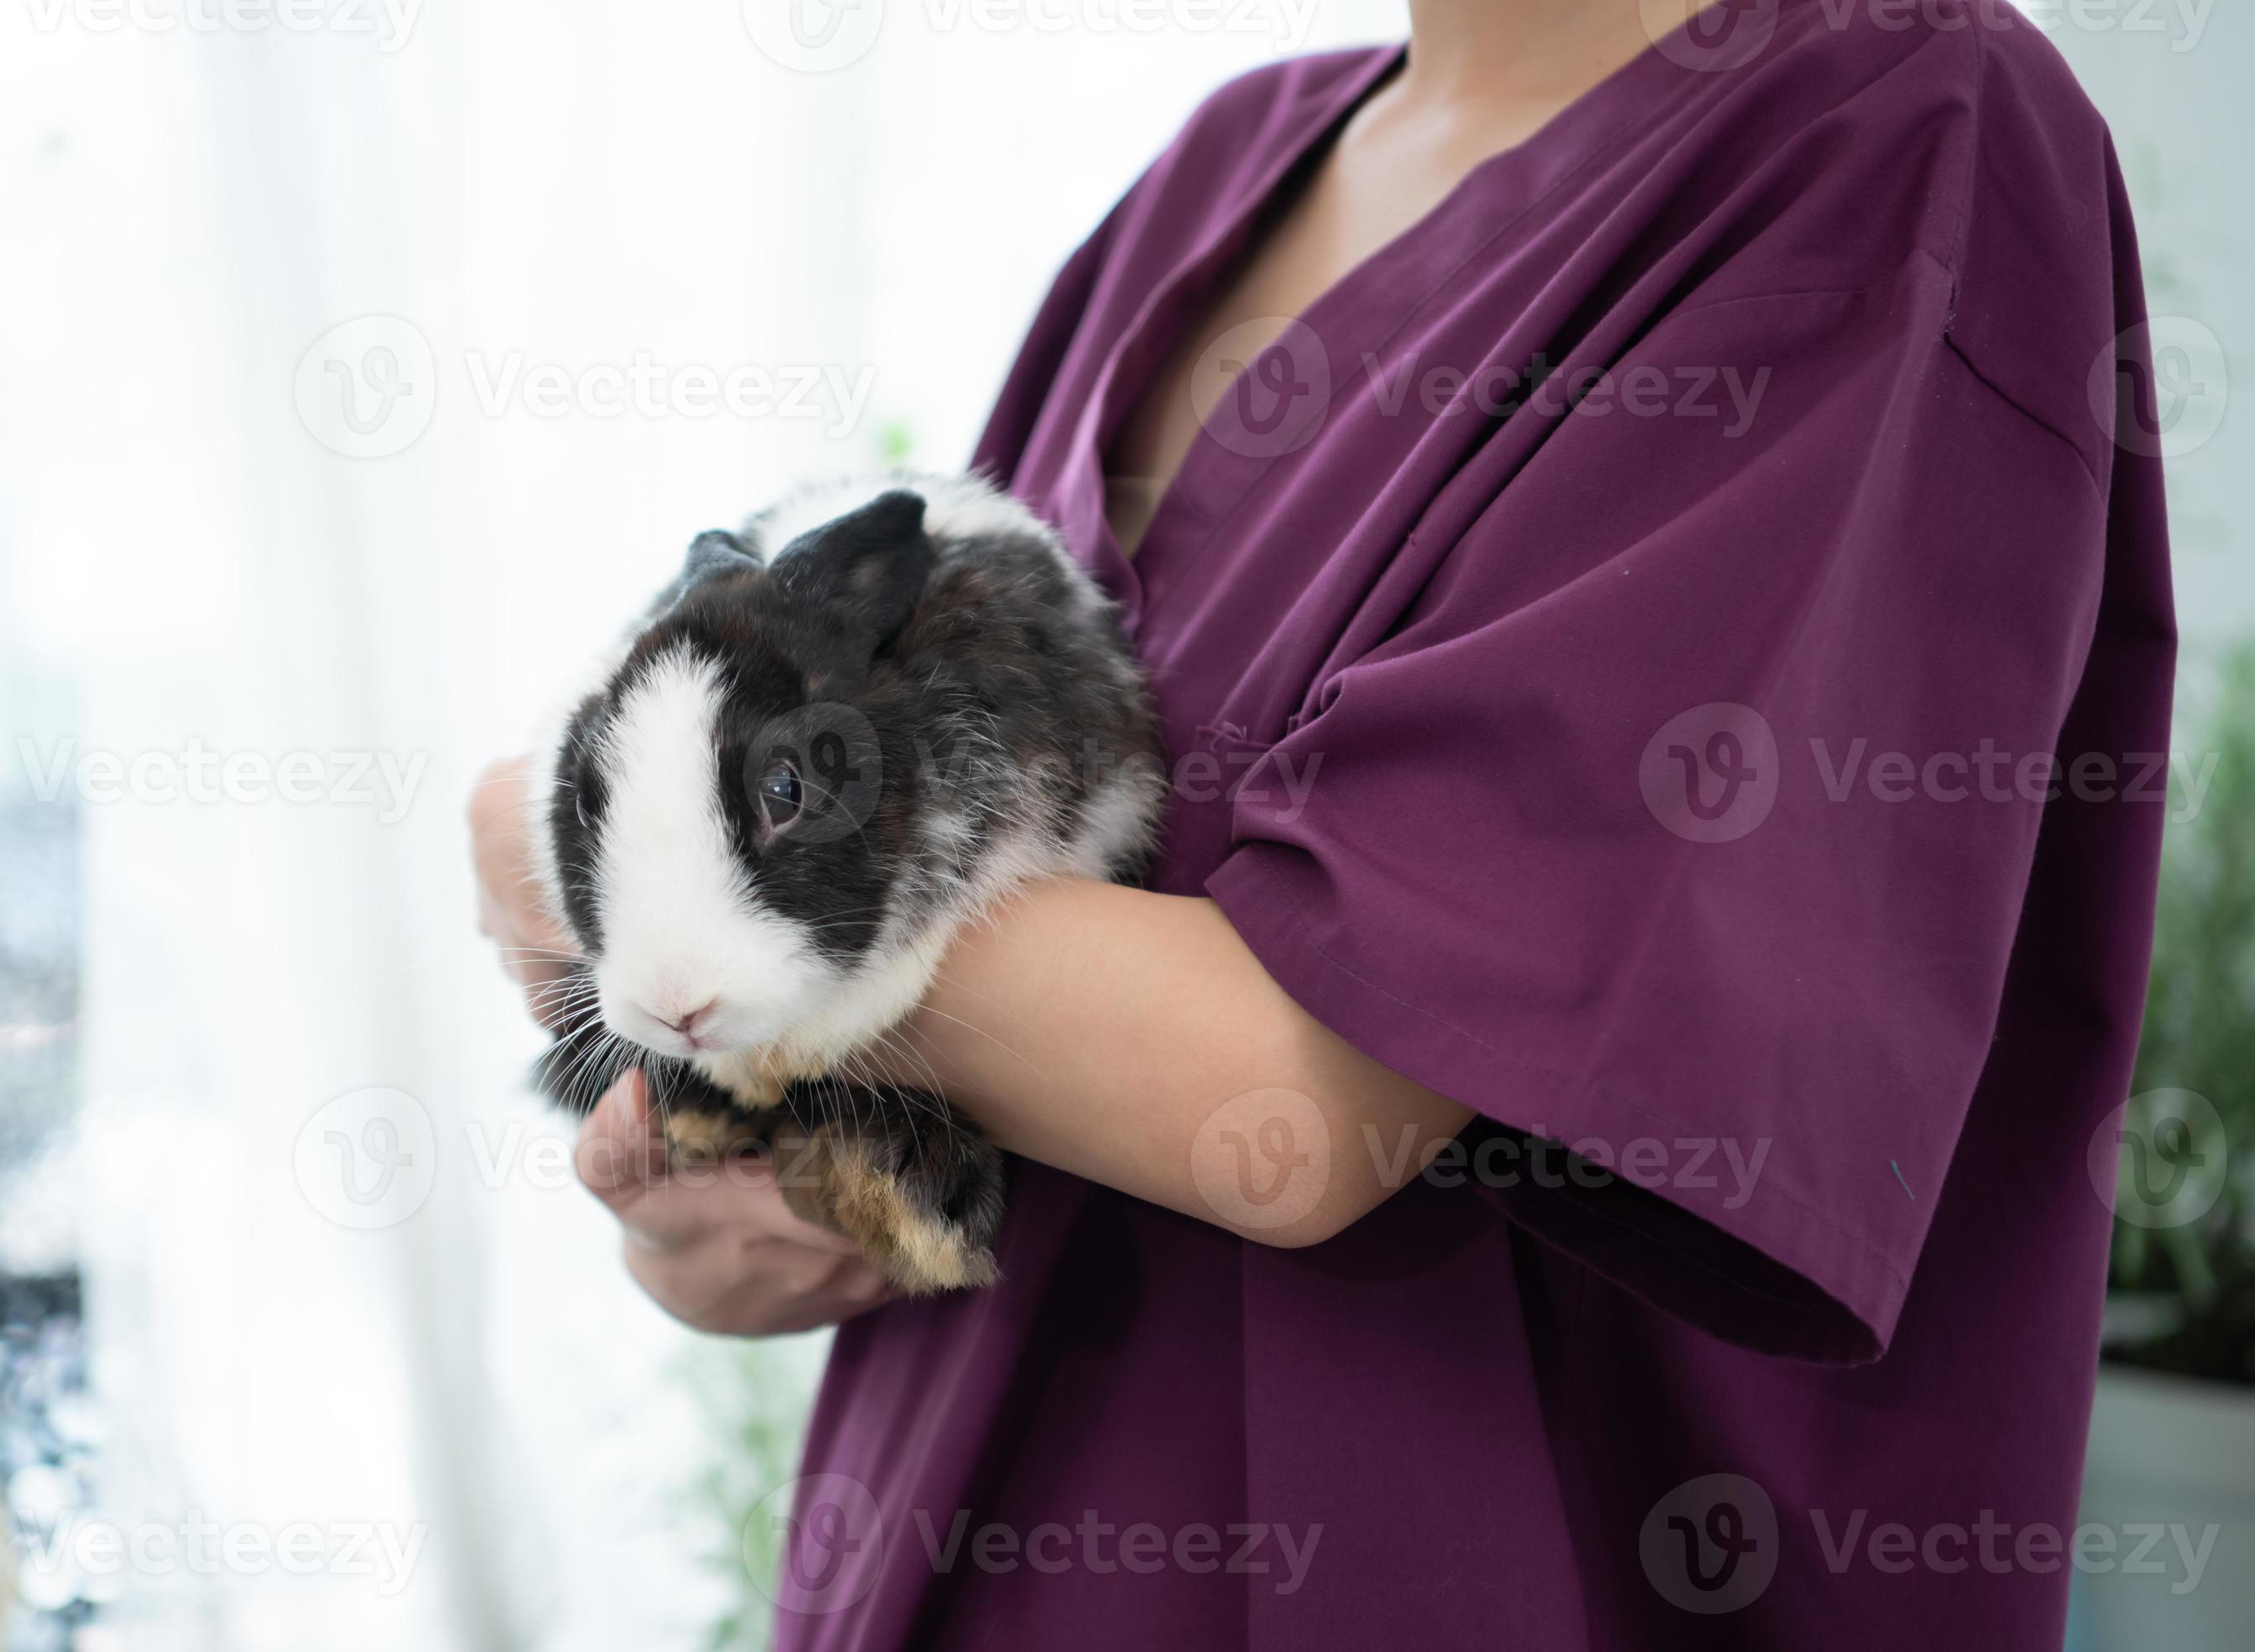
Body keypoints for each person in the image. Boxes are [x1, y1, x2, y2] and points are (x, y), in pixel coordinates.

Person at [470, 0, 2177, 1643]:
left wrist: (552, 848)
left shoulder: (1896, 126)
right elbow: (944, 916)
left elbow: (1282, 1093)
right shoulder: (1216, 172)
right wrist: (747, 1188)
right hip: (941, 1544)